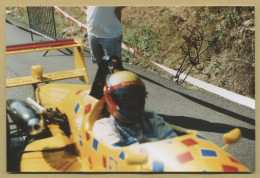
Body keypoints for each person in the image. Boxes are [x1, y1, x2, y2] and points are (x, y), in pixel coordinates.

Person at [92, 71, 177, 147]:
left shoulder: (151, 118)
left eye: (135, 99)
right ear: (111, 100)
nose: (131, 103)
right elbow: (121, 156)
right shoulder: (103, 127)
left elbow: (173, 144)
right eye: (125, 99)